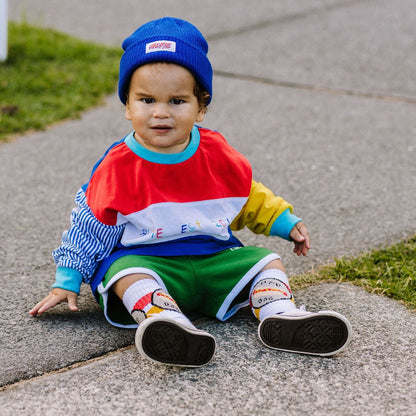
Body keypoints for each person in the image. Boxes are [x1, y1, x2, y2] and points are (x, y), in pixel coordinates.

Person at [30, 17, 351, 367]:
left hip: (213, 258)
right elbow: (88, 226)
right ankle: (164, 321)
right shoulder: (119, 166)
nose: (161, 112)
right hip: (151, 262)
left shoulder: (215, 153)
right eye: (147, 100)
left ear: (201, 107)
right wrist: (68, 279)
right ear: (127, 106)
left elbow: (245, 195)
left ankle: (278, 312)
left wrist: (283, 221)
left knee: (265, 261)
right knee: (124, 272)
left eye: (177, 101)